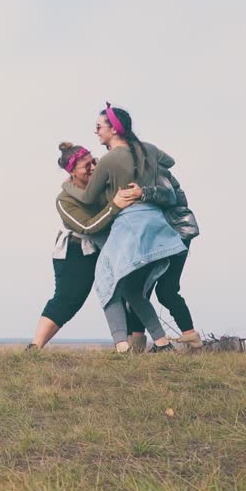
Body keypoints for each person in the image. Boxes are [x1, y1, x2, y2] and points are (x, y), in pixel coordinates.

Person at [60, 104, 185, 353]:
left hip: (129, 226)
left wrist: (67, 186)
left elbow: (87, 199)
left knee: (105, 280)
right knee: (132, 288)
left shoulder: (109, 160)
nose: (96, 132)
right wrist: (144, 173)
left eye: (99, 127)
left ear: (114, 130)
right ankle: (162, 344)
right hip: (157, 225)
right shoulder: (147, 149)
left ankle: (121, 346)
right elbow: (169, 162)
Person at [28, 143, 175, 349]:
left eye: (93, 162)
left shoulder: (102, 184)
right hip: (76, 251)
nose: (93, 168)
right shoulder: (64, 199)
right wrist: (115, 205)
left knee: (131, 290)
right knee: (68, 300)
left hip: (107, 246)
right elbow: (88, 227)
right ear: (72, 171)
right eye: (86, 166)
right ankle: (35, 347)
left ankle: (157, 344)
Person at [126, 161, 201, 349]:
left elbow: (170, 196)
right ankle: (137, 343)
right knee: (140, 289)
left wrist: (142, 193)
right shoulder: (130, 170)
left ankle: (192, 338)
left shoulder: (152, 169)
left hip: (176, 233)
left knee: (166, 290)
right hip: (157, 236)